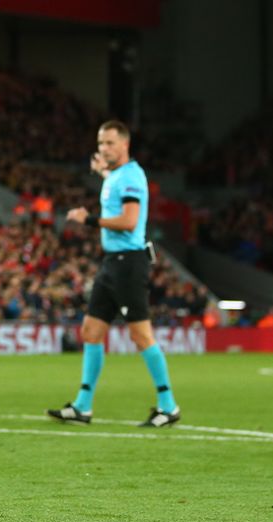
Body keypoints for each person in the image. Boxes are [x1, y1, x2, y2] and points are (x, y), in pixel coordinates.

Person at [47, 120, 180, 428]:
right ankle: (82, 406)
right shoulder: (117, 176)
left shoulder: (131, 176)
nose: (103, 148)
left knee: (140, 334)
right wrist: (104, 172)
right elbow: (117, 191)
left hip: (129, 263)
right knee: (91, 332)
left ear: (124, 145)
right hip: (113, 263)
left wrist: (88, 219)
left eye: (109, 143)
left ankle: (168, 404)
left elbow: (130, 220)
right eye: (100, 143)